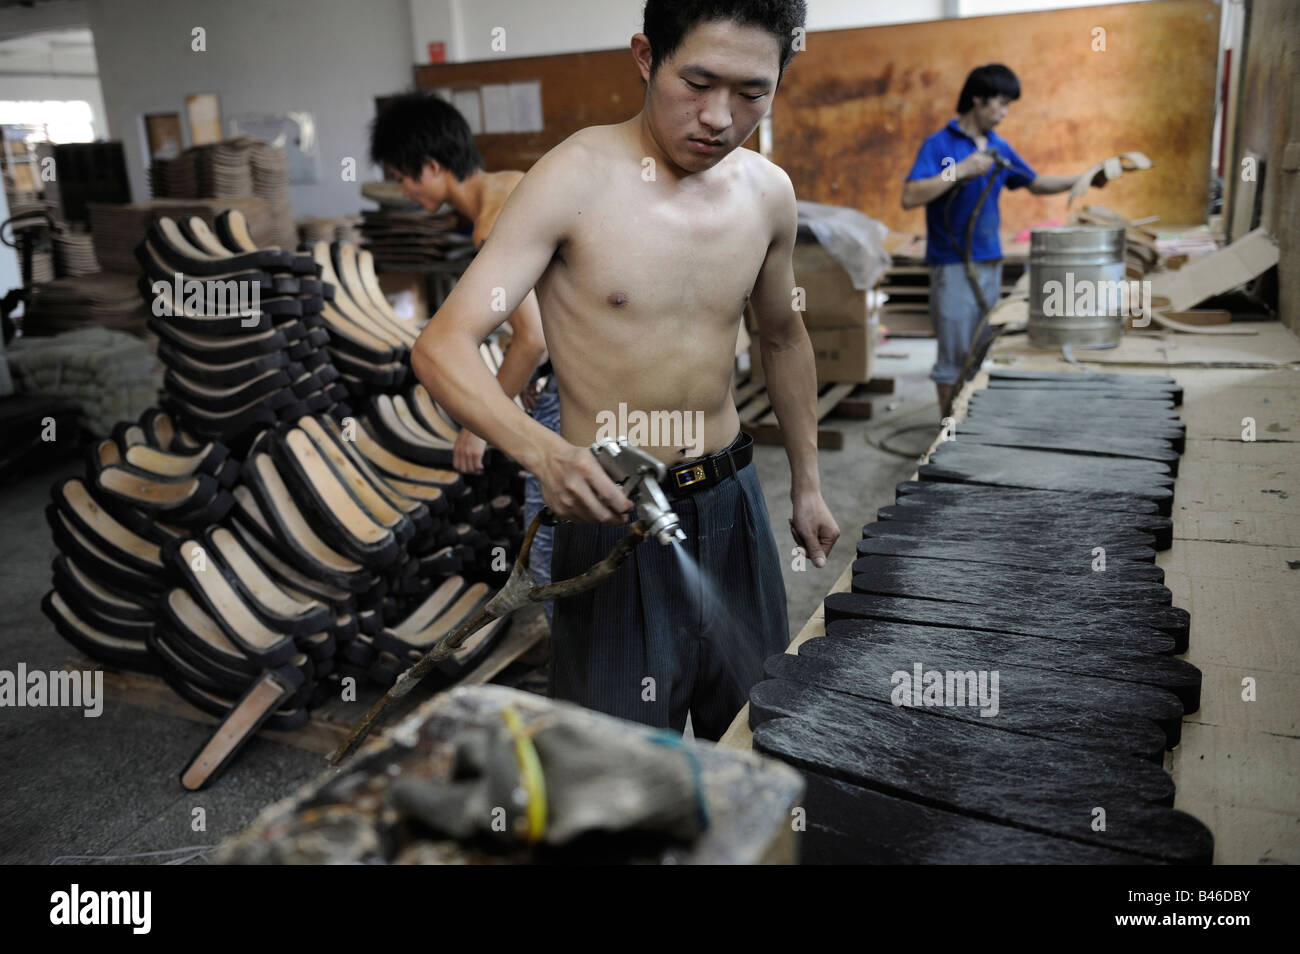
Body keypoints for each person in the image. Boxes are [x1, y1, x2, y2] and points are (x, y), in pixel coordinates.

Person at [411, 0, 838, 741]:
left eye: (750, 93)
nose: (717, 117)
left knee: (758, 739)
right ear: (646, 55)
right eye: (697, 82)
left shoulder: (768, 193)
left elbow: (783, 337)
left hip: (732, 503)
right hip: (611, 515)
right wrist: (543, 452)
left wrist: (806, 483)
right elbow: (442, 344)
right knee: (620, 766)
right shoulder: (572, 180)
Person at [369, 93, 562, 609]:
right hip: (601, 370)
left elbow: (532, 337)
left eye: (404, 177)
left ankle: (567, 662)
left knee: (545, 548)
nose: (405, 192)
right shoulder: (513, 180)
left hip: (576, 393)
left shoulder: (490, 223)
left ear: (432, 167)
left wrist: (479, 424)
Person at [902, 63, 1108, 412]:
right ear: (977, 100)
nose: (1005, 111)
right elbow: (910, 195)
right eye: (1000, 102)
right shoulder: (940, 144)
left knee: (983, 349)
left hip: (989, 260)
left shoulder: (999, 147)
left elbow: (1035, 182)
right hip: (953, 264)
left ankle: (971, 425)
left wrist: (1084, 178)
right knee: (953, 358)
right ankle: (947, 436)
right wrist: (961, 169)